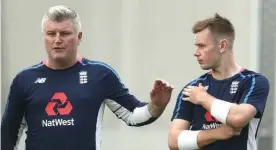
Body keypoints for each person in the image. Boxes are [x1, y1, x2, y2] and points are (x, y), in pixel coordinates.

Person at [1, 5, 174, 150]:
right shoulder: (24, 80)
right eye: (51, 34)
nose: (58, 40)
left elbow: (134, 115)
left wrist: (157, 104)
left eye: (65, 33)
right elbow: (8, 135)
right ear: (44, 37)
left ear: (79, 37)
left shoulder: (100, 74)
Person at [168, 13, 270, 150]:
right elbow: (174, 141)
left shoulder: (253, 81)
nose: (196, 52)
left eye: (202, 46)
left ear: (222, 46)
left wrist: (203, 98)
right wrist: (217, 133)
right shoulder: (192, 88)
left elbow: (238, 117)